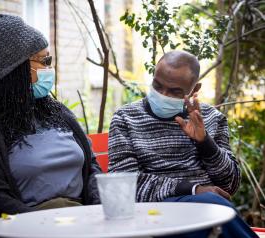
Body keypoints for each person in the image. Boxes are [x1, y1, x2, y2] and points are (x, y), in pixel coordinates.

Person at [0, 14, 101, 237]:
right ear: (15, 70)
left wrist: (98, 209)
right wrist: (46, 227)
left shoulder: (57, 111)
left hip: (83, 221)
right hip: (26, 229)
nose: (50, 68)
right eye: (44, 61)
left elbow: (92, 166)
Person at [108, 51, 257, 237]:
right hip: (154, 214)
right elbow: (124, 185)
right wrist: (193, 190)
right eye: (157, 85)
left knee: (212, 214)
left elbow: (229, 186)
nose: (163, 94)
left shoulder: (211, 118)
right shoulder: (125, 118)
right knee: (213, 211)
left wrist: (205, 143)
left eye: (174, 91)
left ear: (195, 89)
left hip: (209, 211)